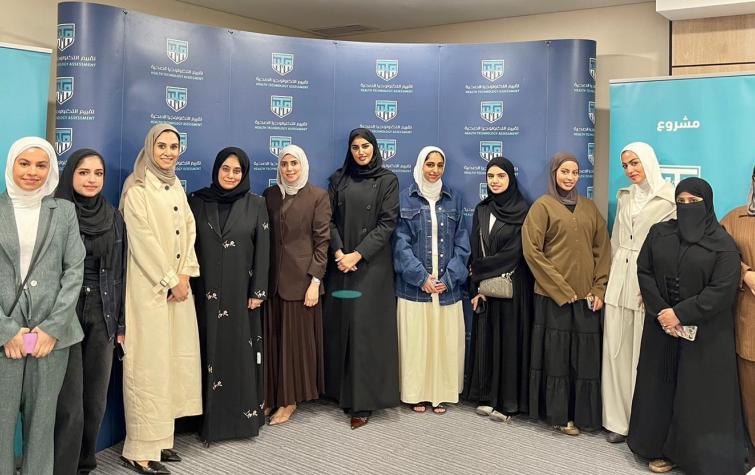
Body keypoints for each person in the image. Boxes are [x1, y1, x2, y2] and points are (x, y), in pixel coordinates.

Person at [627, 177, 745, 474]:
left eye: (694, 202)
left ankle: (693, 456)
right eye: (681, 202)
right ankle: (657, 448)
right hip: (662, 329)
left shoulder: (724, 246)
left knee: (696, 396)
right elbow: (644, 271)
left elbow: (722, 290)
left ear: (708, 204)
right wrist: (662, 312)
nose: (686, 207)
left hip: (705, 335)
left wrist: (680, 313)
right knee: (660, 387)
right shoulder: (659, 233)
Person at [119, 124, 201, 475]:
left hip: (177, 288)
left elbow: (189, 230)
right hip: (149, 290)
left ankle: (161, 441)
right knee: (147, 367)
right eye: (161, 146)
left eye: (173, 146)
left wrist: (185, 275)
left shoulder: (175, 185)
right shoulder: (136, 188)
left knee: (171, 363)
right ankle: (138, 449)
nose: (168, 152)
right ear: (149, 147)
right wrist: (169, 279)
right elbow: (142, 242)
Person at [0, 137, 85, 475]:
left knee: (41, 426)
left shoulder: (63, 211)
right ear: (11, 165)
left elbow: (74, 271)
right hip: (5, 335)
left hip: (51, 337)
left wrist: (52, 328)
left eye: (41, 165)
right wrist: (6, 330)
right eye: (24, 164)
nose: (32, 172)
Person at [523, 152, 610, 436]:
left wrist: (599, 288)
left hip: (586, 299)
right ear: (554, 174)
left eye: (575, 172)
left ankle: (584, 415)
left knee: (585, 360)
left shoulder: (589, 208)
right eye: (564, 172)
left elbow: (603, 250)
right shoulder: (542, 207)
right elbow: (532, 252)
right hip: (554, 299)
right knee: (557, 359)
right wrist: (560, 288)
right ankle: (559, 416)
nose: (570, 177)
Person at [53, 148, 128, 474]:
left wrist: (120, 323)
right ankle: (62, 467)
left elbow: (121, 272)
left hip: (103, 309)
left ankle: (84, 463)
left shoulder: (113, 217)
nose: (92, 179)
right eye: (84, 172)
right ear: (70, 173)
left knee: (95, 399)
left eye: (98, 173)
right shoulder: (54, 212)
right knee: (68, 401)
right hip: (64, 310)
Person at [189, 147, 269, 444]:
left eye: (237, 171)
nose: (231, 175)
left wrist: (258, 291)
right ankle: (201, 420)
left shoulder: (256, 204)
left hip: (240, 293)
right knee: (203, 351)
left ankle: (238, 422)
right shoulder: (197, 201)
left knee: (237, 355)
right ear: (216, 170)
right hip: (202, 293)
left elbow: (263, 248)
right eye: (226, 169)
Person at [323, 128, 400, 429]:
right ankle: (340, 392)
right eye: (355, 147)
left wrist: (357, 255)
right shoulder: (338, 179)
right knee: (342, 327)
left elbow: (387, 223)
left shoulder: (388, 180)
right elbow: (327, 219)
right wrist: (339, 252)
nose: (360, 152)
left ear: (374, 148)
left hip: (371, 266)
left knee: (366, 332)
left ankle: (364, 401)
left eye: (365, 146)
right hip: (340, 264)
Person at [601, 142, 675, 443]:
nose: (630, 170)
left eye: (635, 163)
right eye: (625, 165)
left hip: (648, 281)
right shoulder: (625, 197)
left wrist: (658, 288)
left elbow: (671, 249)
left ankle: (640, 422)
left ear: (648, 161)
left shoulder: (670, 198)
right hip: (620, 278)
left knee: (641, 355)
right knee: (615, 350)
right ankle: (616, 420)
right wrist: (608, 280)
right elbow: (615, 241)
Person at [392, 146, 469, 414]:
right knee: (417, 344)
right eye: (429, 164)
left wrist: (449, 278)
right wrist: (420, 277)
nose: (434, 170)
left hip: (446, 289)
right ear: (420, 165)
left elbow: (462, 243)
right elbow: (399, 244)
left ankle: (440, 394)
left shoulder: (454, 199)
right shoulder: (405, 199)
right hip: (415, 289)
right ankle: (417, 394)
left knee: (444, 344)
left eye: (439, 165)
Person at [263, 144, 330, 425]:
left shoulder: (318, 197)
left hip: (302, 284)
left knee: (294, 346)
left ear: (303, 165)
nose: (289, 169)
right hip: (272, 283)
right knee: (273, 342)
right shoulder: (270, 195)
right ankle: (271, 396)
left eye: (294, 163)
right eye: (284, 164)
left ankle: (289, 400)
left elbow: (322, 242)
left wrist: (315, 282)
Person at [464, 156, 532, 422]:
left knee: (510, 342)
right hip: (486, 288)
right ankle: (486, 397)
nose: (495, 181)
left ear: (510, 178)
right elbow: (474, 249)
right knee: (487, 341)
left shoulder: (523, 210)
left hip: (513, 287)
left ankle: (507, 402)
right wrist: (476, 287)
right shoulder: (482, 210)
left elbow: (515, 252)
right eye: (490, 176)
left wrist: (479, 271)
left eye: (501, 176)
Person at [722, 164, 755, 466]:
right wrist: (745, 273)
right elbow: (717, 254)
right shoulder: (736, 218)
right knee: (750, 390)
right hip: (748, 319)